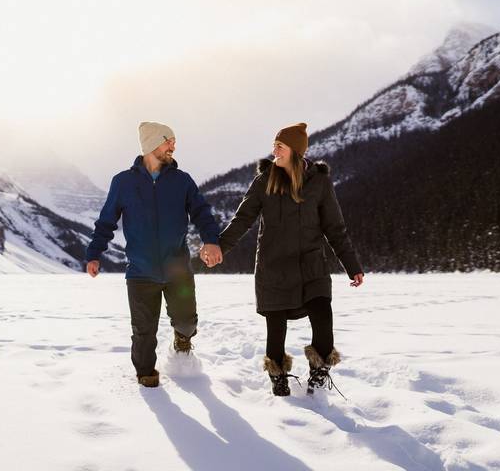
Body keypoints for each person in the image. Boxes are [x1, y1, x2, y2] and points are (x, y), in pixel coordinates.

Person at [217, 122, 364, 396]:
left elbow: (335, 227)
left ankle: (319, 377)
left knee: (323, 317)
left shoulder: (318, 182)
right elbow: (243, 219)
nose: (274, 150)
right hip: (273, 266)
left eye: (280, 146)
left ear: (295, 151)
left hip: (311, 265)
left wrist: (352, 265)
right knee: (276, 328)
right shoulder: (264, 181)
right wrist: (220, 247)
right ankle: (279, 380)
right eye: (274, 145)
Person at [85, 121, 223, 388]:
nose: (173, 145)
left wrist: (211, 240)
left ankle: (182, 339)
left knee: (186, 321)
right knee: (143, 331)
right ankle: (146, 376)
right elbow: (106, 222)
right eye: (168, 140)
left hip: (177, 269)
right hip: (140, 271)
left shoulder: (182, 181)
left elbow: (201, 212)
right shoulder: (123, 182)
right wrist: (94, 254)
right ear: (151, 143)